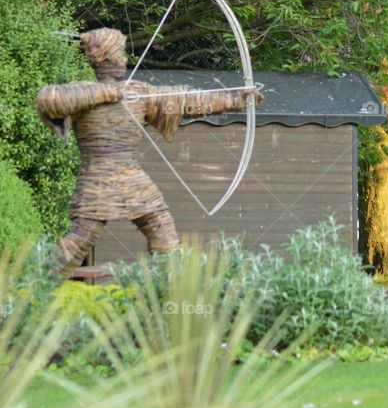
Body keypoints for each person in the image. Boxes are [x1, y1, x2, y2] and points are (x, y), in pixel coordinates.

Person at [36, 27, 261, 277]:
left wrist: (236, 99)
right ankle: (37, 286)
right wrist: (106, 93)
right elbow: (48, 99)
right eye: (119, 53)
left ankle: (170, 289)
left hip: (133, 177)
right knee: (81, 237)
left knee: (162, 230)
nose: (123, 59)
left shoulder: (138, 93)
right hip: (98, 178)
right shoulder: (83, 93)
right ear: (103, 56)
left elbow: (186, 100)